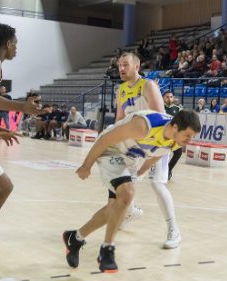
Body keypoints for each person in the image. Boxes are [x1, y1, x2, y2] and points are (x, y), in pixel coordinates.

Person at [63, 110, 201, 272]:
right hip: (111, 149)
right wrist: (86, 165)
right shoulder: (144, 126)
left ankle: (75, 238)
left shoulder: (176, 141)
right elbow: (105, 139)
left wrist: (140, 172)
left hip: (130, 159)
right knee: (127, 194)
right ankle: (107, 250)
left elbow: (158, 153)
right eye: (188, 135)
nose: (189, 140)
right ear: (175, 127)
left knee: (115, 209)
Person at [113, 52, 182, 249]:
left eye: (125, 64)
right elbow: (119, 118)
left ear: (137, 66)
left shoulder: (148, 86)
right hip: (135, 144)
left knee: (157, 184)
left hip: (156, 143)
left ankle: (174, 230)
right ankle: (131, 209)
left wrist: (149, 154)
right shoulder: (121, 89)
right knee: (121, 180)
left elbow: (160, 119)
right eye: (119, 65)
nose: (121, 68)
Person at [0, 24, 43, 228]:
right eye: (16, 44)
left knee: (3, 187)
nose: (17, 49)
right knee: (3, 188)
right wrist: (22, 106)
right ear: (8, 43)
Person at [162, 91, 184, 180]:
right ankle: (158, 171)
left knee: (178, 153)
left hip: (174, 136)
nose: (169, 98)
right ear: (163, 98)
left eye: (171, 97)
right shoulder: (159, 107)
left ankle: (168, 170)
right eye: (167, 97)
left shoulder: (178, 109)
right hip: (162, 136)